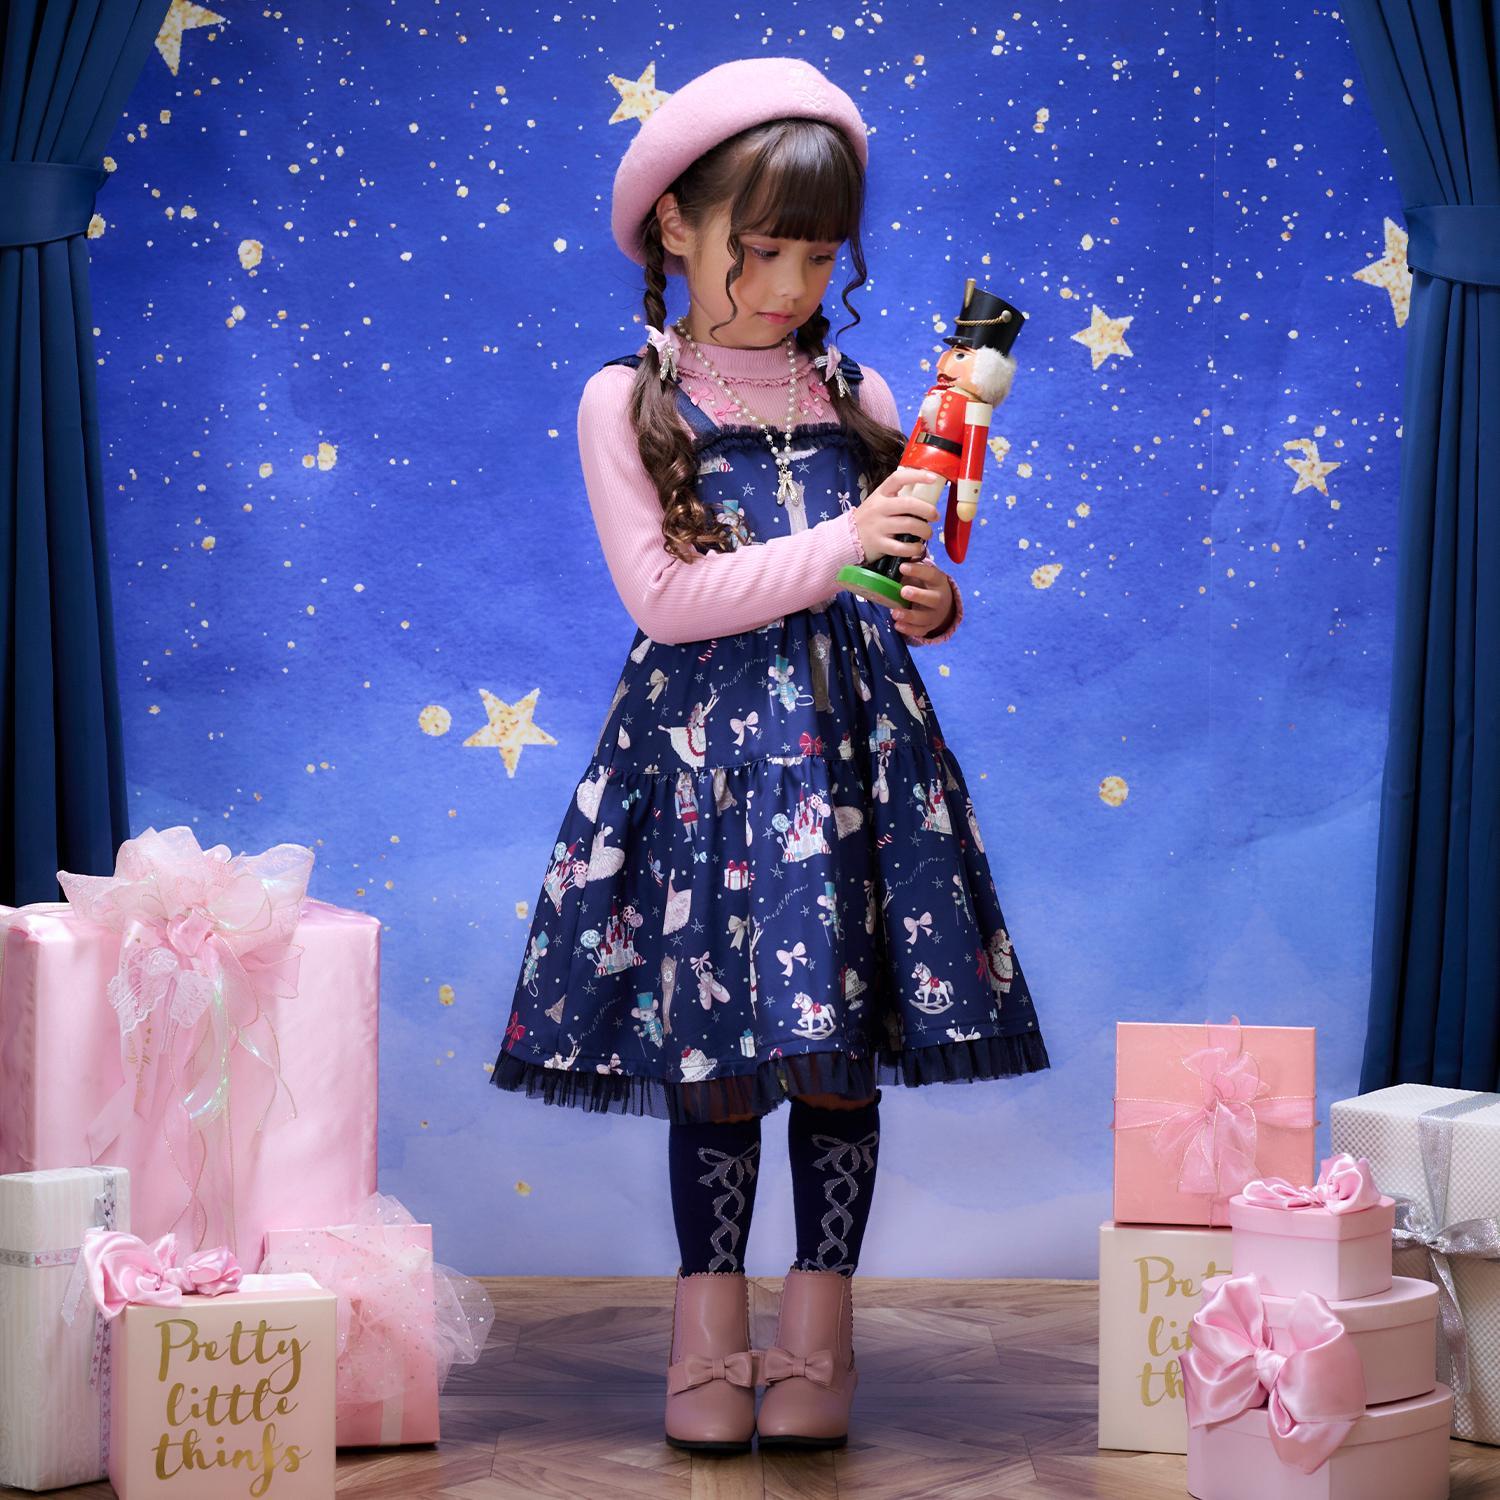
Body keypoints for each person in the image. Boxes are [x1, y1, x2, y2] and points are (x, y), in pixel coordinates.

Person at [488, 55, 1050, 1456]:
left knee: (838, 1057)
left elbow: (883, 586)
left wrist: (924, 597)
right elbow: (666, 601)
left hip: (851, 765)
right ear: (676, 227)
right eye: (763, 250)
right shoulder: (628, 397)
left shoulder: (855, 387)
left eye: (820, 255)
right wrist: (848, 540)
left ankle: (819, 1342)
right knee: (720, 1063)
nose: (794, 285)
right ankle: (707, 1342)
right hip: (708, 772)